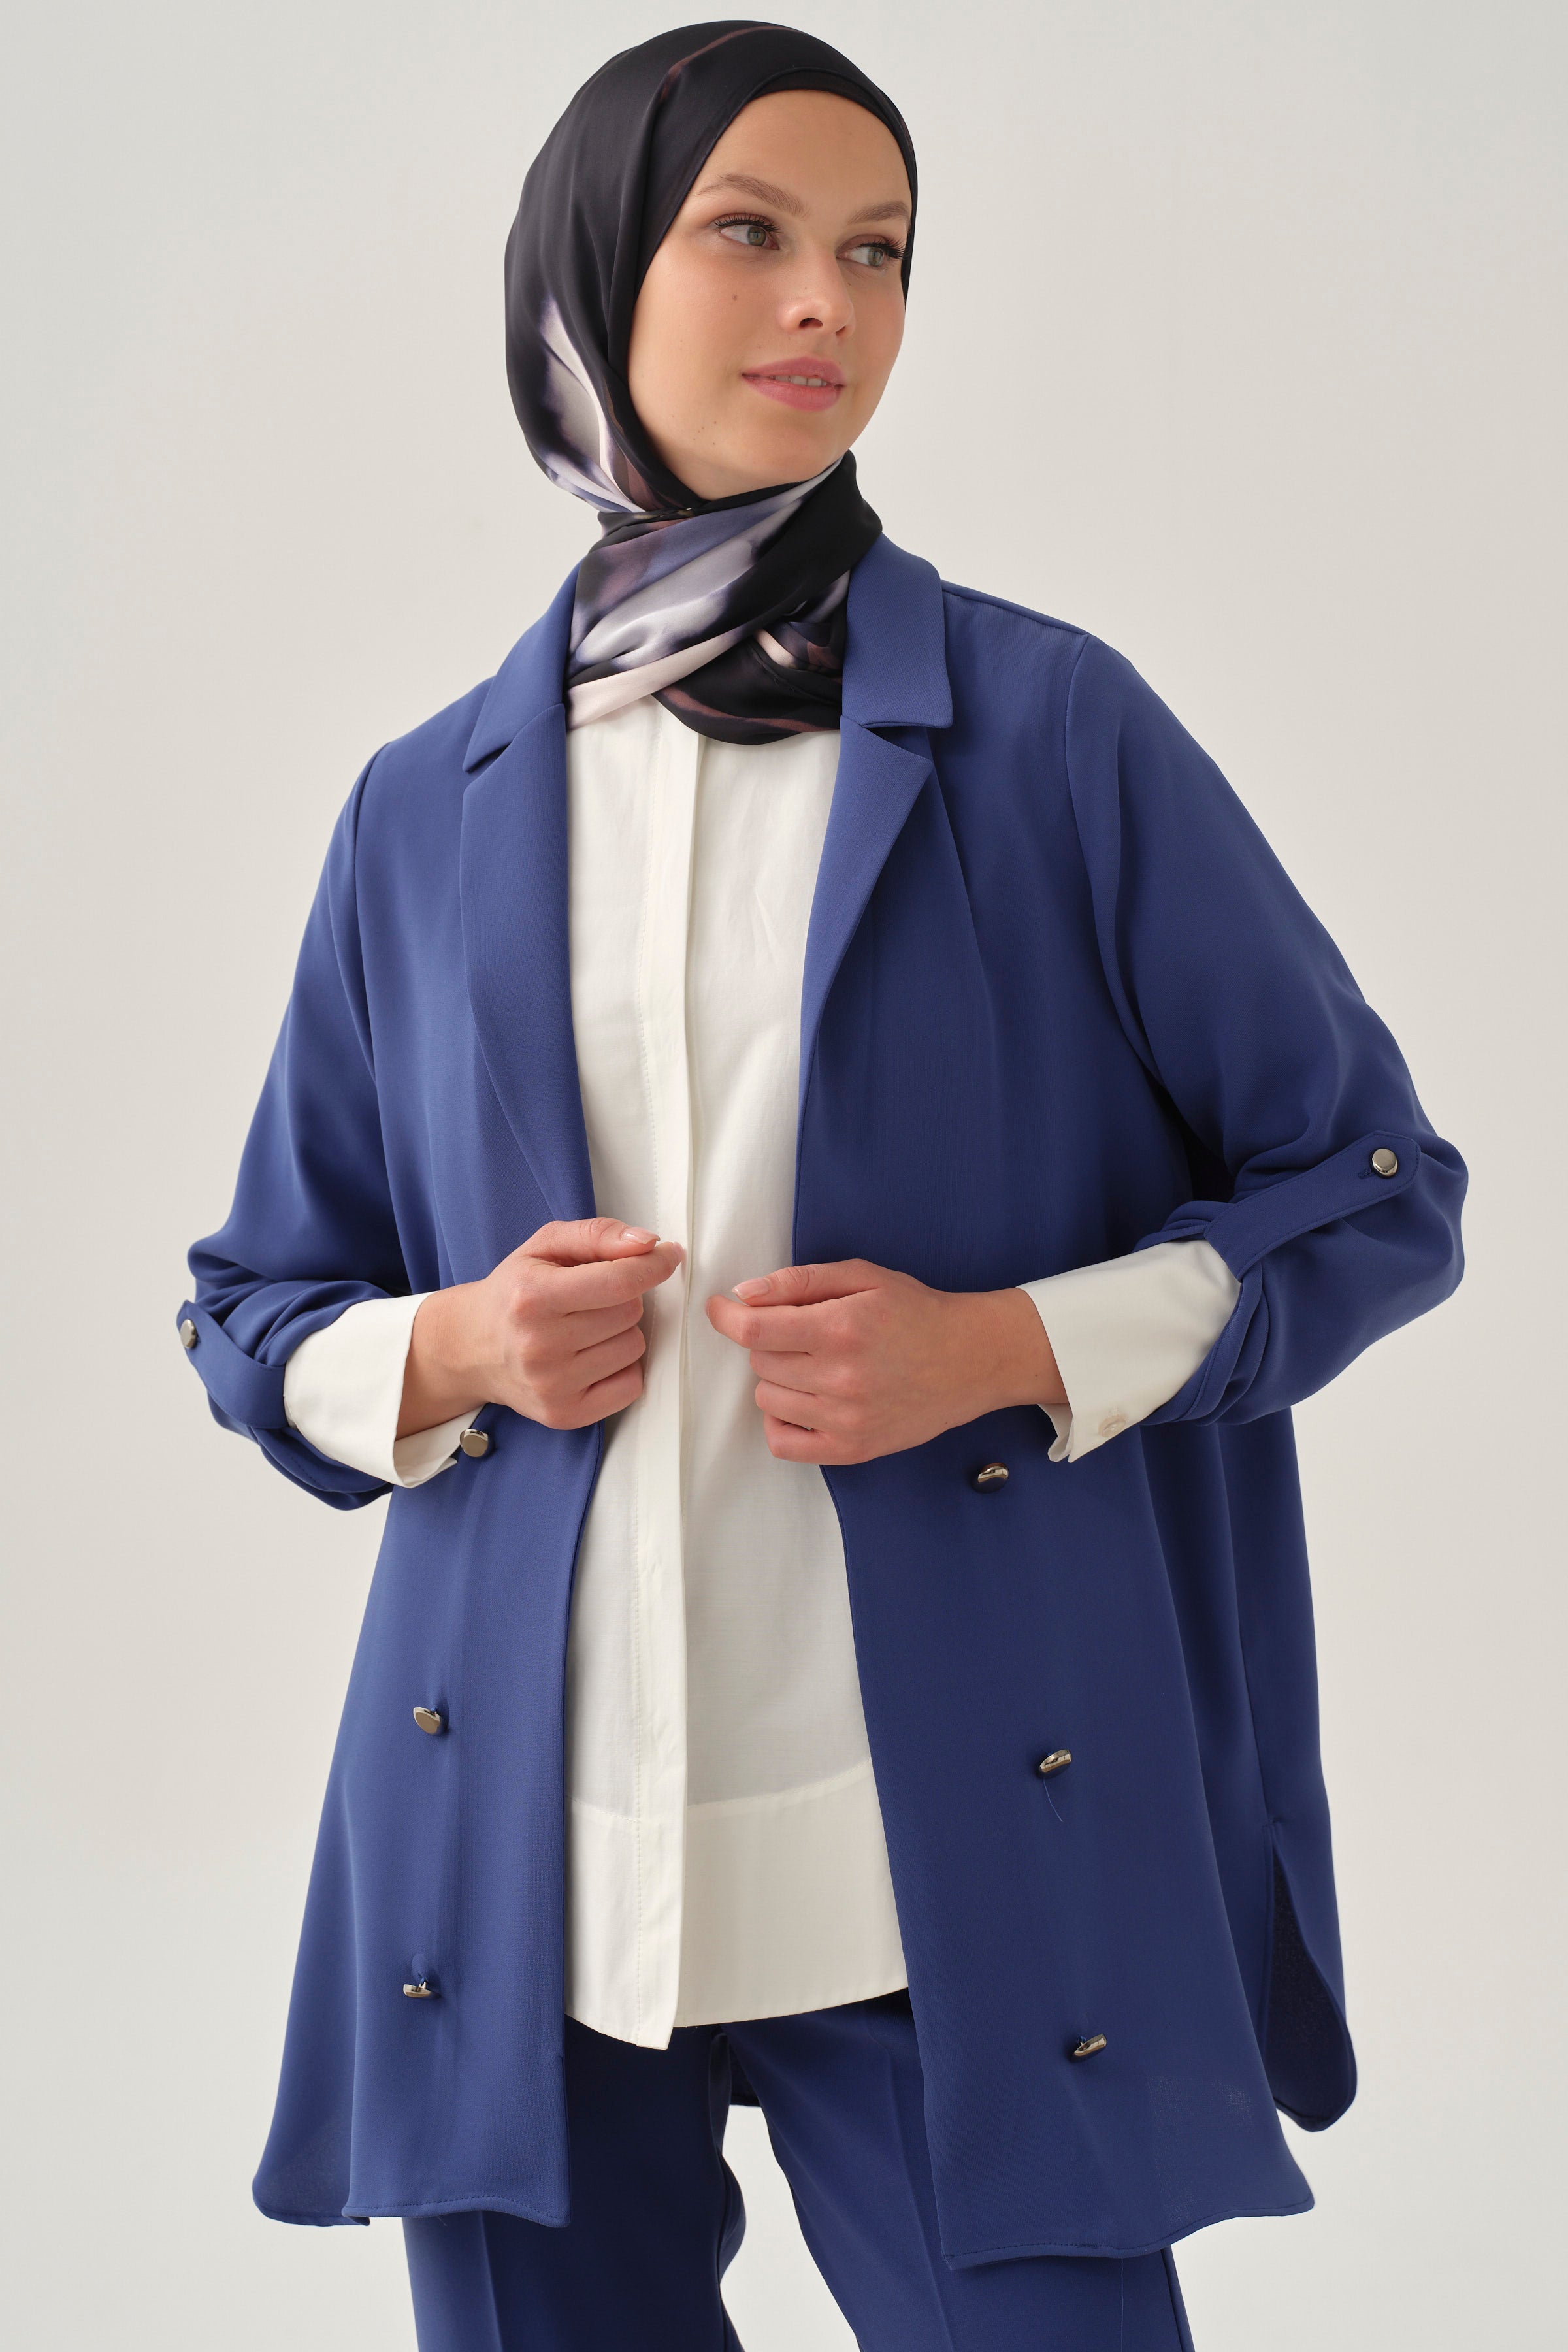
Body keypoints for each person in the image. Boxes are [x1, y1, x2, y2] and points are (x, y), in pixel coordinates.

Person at [176, 22, 1466, 2351]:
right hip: (528, 1872)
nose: (826, 305)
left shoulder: (1050, 732)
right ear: (590, 276)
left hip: (947, 1846)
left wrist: (1010, 1347)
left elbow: (1372, 1187)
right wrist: (454, 1347)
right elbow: (259, 1300)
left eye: (877, 252)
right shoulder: (424, 809)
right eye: (749, 233)